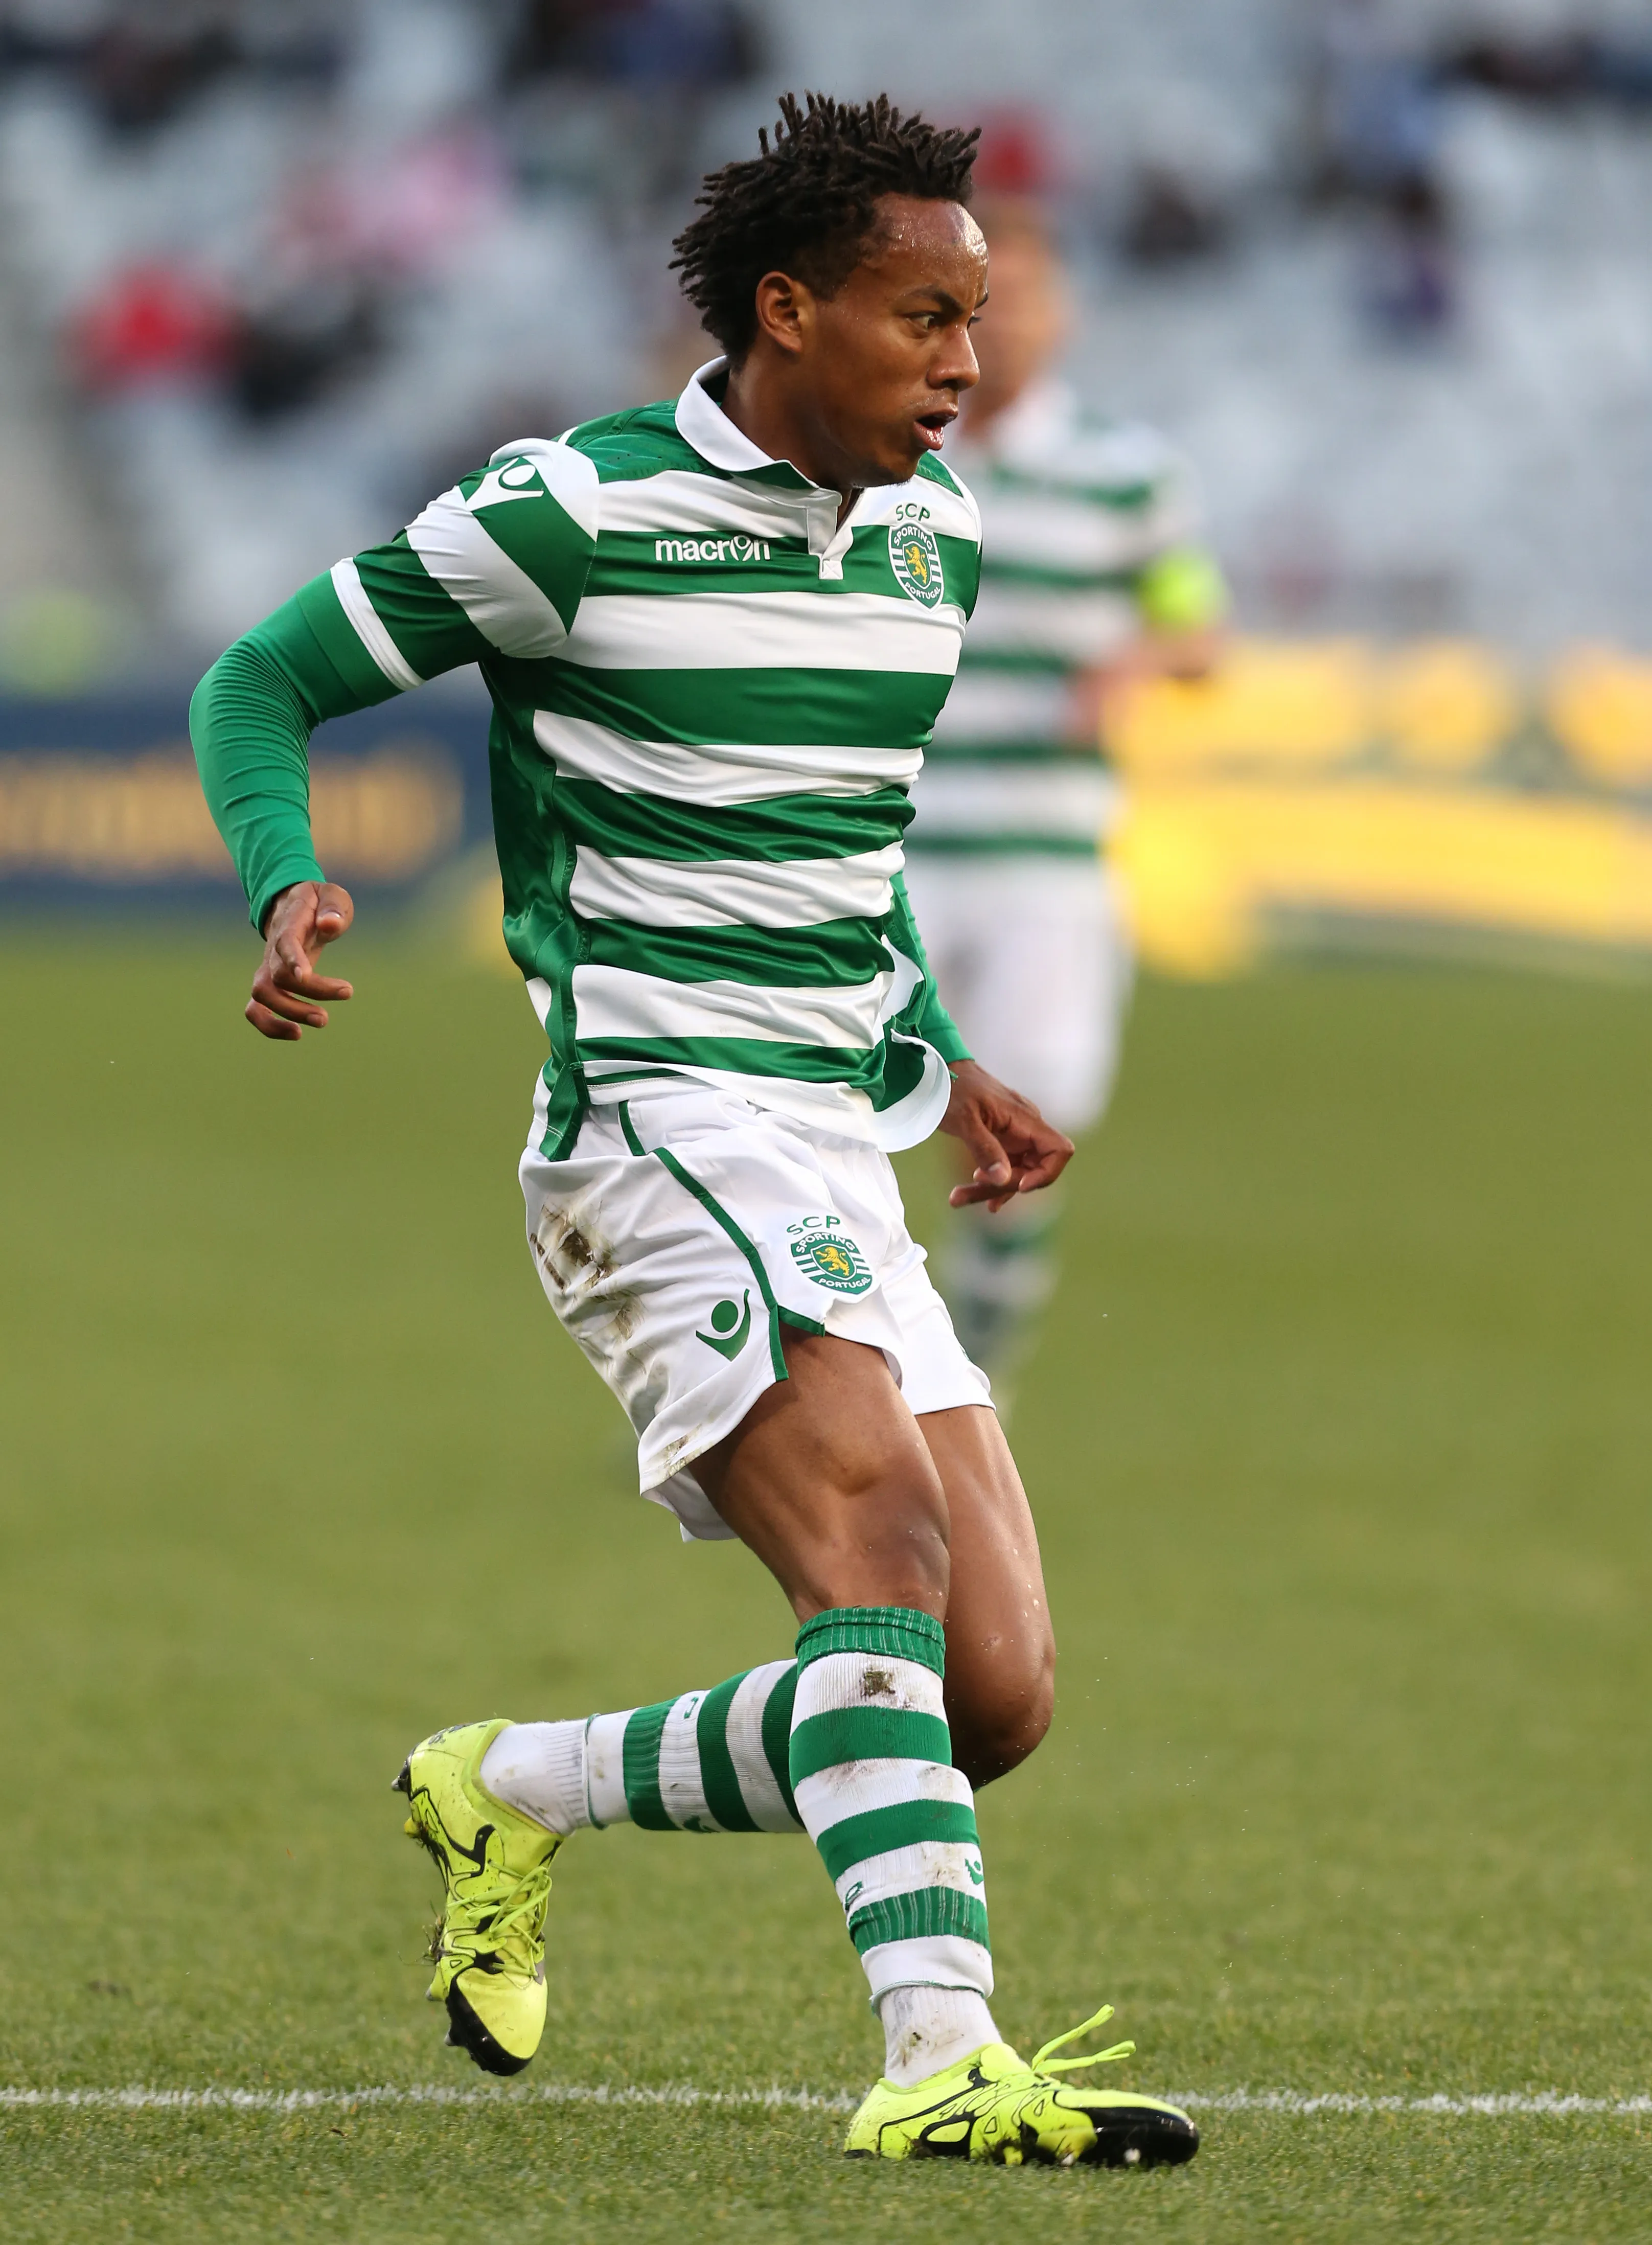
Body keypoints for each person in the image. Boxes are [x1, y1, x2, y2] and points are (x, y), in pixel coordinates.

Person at [190, 93, 1198, 2171]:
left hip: (828, 1139)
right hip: (653, 1123)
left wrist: (937, 1059)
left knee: (984, 1691)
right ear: (785, 309)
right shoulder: (576, 511)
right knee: (884, 1562)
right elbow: (260, 680)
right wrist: (280, 869)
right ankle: (938, 2055)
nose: (968, 364)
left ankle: (509, 1785)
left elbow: (849, 852)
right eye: (927, 319)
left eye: (981, 320)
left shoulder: (939, 540)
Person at [907, 196, 1228, 1402]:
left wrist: (1135, 662)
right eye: (974, 305)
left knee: (1023, 1127)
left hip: (1046, 853)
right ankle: (841, 1379)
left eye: (1024, 299)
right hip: (897, 847)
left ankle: (968, 1378)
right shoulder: (892, 459)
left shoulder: (1129, 479)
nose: (1004, 326)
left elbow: (1199, 630)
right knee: (838, 1106)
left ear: (1066, 313)